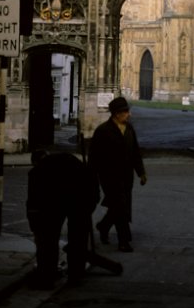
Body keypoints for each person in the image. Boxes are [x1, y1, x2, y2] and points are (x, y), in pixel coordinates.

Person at [26, 148, 98, 288]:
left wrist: (35, 229)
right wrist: (90, 207)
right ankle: (75, 276)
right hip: (81, 197)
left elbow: (33, 204)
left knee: (47, 240)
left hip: (57, 201)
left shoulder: (36, 172)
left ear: (35, 162)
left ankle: (46, 278)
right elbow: (93, 183)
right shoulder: (73, 162)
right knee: (78, 238)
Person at [88, 96, 147, 252]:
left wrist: (141, 172)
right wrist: (91, 177)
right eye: (126, 112)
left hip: (126, 176)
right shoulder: (102, 131)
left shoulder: (129, 129)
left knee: (120, 206)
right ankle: (124, 240)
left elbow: (135, 152)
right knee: (120, 206)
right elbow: (94, 158)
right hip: (109, 176)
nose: (129, 115)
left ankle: (103, 226)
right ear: (117, 114)